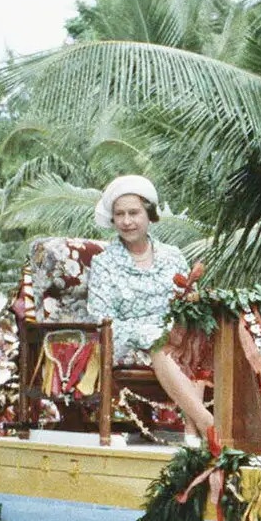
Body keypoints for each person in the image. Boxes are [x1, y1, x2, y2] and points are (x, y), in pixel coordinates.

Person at [82, 174, 214, 436]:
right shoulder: (104, 262)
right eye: (120, 214)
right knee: (160, 343)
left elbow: (190, 301)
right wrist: (153, 331)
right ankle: (207, 424)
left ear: (149, 214)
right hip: (123, 337)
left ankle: (191, 429)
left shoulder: (173, 255)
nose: (127, 221)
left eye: (134, 212)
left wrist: (182, 325)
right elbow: (101, 316)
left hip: (175, 334)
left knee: (199, 334)